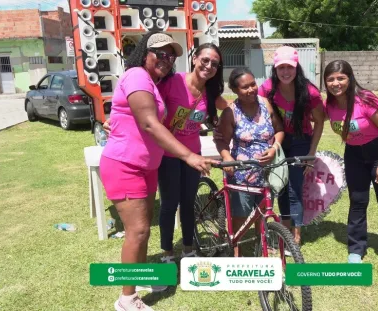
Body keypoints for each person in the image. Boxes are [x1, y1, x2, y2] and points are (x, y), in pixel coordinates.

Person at [99, 31, 216, 311]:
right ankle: (127, 300)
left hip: (145, 166)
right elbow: (150, 123)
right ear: (145, 53)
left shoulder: (153, 82)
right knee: (138, 231)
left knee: (141, 231)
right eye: (160, 53)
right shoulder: (138, 74)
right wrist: (188, 155)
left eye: (171, 55)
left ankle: (136, 279)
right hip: (125, 164)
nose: (166, 59)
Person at [155, 43, 227, 266]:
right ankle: (167, 253)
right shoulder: (173, 82)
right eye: (205, 60)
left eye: (214, 64)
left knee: (188, 202)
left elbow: (232, 107)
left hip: (193, 154)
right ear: (194, 59)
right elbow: (148, 105)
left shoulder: (211, 93)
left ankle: (188, 249)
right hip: (168, 154)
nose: (209, 66)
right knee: (169, 204)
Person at [323, 60, 378, 264]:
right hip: (355, 154)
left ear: (350, 78)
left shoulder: (365, 99)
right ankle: (356, 247)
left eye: (341, 78)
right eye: (330, 79)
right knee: (358, 201)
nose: (335, 83)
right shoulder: (329, 105)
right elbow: (311, 116)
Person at [258, 46, 326, 246]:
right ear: (275, 69)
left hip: (300, 141)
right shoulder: (267, 89)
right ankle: (285, 229)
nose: (285, 72)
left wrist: (311, 153)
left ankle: (296, 234)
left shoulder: (309, 91)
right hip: (277, 142)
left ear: (297, 67)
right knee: (280, 186)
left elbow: (320, 121)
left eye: (290, 67)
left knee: (295, 188)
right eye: (281, 68)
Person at [215, 67, 284, 257]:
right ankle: (235, 249)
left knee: (262, 212)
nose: (251, 89)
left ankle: (260, 245)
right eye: (245, 87)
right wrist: (227, 157)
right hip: (242, 173)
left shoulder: (266, 104)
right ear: (236, 91)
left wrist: (274, 148)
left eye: (253, 84)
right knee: (240, 214)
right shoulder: (231, 112)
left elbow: (279, 130)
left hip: (268, 171)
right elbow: (220, 139)